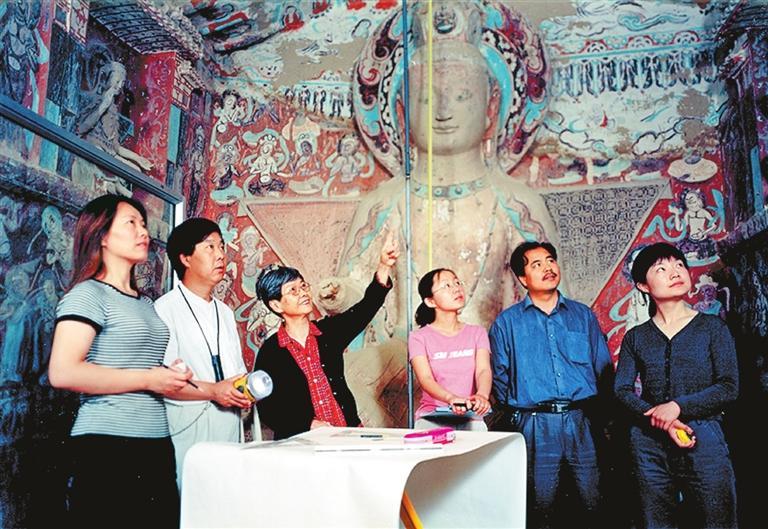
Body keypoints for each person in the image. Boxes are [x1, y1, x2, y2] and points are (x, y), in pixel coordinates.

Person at [48, 194, 191, 528]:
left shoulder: (145, 303)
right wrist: (149, 379)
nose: (143, 232)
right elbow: (63, 371)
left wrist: (179, 380)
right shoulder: (88, 294)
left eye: (143, 224)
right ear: (102, 236)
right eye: (131, 223)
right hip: (107, 445)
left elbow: (145, 371)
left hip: (156, 443)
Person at [614, 242, 738, 529]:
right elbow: (621, 390)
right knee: (656, 522)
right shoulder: (636, 337)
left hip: (704, 437)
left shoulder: (713, 328)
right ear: (643, 285)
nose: (675, 272)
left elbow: (729, 386)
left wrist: (677, 407)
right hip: (649, 443)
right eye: (661, 268)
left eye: (680, 265)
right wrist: (662, 419)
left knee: (717, 521)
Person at [490, 241, 613, 528]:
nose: (548, 268)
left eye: (550, 261)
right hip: (534, 424)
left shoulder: (582, 315)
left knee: (593, 503)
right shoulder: (507, 324)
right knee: (539, 506)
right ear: (523, 279)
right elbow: (500, 380)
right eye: (537, 265)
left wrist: (600, 419)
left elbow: (604, 369)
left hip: (582, 421)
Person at [254, 232, 398, 440]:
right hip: (303, 443)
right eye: (293, 290)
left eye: (303, 286)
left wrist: (384, 265)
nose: (303, 293)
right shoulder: (271, 351)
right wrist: (307, 423)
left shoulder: (328, 332)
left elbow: (365, 308)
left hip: (346, 434)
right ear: (276, 305)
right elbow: (268, 407)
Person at [154, 218, 253, 489]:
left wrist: (245, 390)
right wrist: (214, 391)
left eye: (221, 246)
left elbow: (237, 371)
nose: (220, 255)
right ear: (185, 258)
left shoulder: (225, 312)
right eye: (210, 247)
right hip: (188, 431)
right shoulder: (164, 310)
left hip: (228, 429)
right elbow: (163, 381)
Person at [408, 268, 492, 431]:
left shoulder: (478, 333)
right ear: (430, 301)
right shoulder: (418, 337)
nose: (456, 288)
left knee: (479, 436)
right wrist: (451, 398)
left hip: (470, 416)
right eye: (446, 285)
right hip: (431, 417)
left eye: (457, 282)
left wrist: (482, 396)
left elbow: (483, 370)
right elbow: (425, 379)